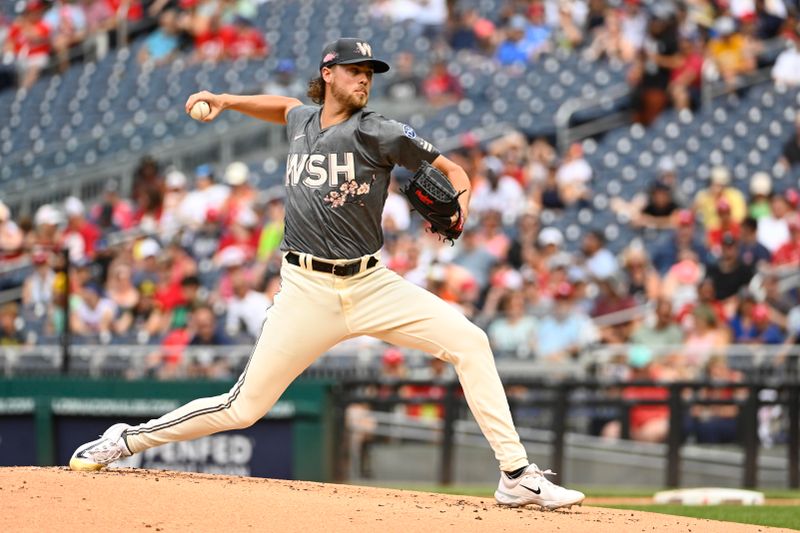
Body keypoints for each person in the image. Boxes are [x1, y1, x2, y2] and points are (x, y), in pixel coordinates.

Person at [69, 38, 584, 510]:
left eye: (370, 73)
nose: (364, 79)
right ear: (328, 73)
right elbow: (283, 107)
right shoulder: (303, 122)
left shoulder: (378, 130)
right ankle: (126, 439)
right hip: (306, 290)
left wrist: (462, 208)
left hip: (371, 283)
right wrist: (226, 98)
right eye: (355, 70)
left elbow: (456, 172)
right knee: (242, 408)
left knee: (471, 343)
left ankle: (515, 475)